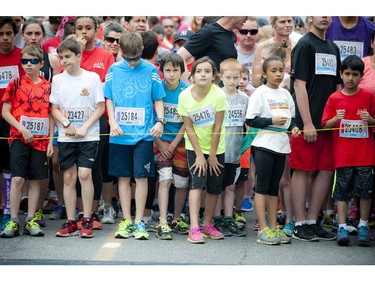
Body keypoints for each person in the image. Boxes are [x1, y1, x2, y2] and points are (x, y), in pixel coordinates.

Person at [104, 32, 165, 240]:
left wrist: (160, 121)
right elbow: (109, 98)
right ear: (121, 52)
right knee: (123, 178)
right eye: (127, 59)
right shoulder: (114, 69)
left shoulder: (150, 70)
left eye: (135, 59)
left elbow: (158, 99)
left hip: (143, 137)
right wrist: (112, 121)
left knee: (141, 177)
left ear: (141, 52)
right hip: (119, 134)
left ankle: (140, 220)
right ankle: (127, 219)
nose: (131, 63)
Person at [289, 16, 341, 242]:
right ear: (310, 17)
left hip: (330, 124)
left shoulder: (333, 47)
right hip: (307, 122)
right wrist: (308, 122)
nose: (325, 17)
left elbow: (337, 86)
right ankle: (299, 223)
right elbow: (299, 85)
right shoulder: (305, 44)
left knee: (327, 170)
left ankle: (312, 220)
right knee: (302, 170)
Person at [51, 37, 105, 238]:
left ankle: (87, 218)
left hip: (89, 135)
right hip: (66, 136)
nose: (64, 61)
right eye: (61, 57)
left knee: (85, 174)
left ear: (78, 56)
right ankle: (71, 220)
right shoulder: (57, 80)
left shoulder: (92, 78)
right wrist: (66, 125)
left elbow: (100, 107)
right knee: (68, 176)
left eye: (67, 57)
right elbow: (54, 109)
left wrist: (84, 127)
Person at [0, 45, 54, 238]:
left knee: (35, 180)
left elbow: (51, 115)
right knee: (17, 178)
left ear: (41, 64)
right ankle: (13, 220)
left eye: (33, 61)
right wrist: (21, 129)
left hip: (40, 141)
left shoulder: (48, 86)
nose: (28, 65)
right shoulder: (14, 84)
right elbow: (5, 112)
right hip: (18, 138)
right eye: (24, 61)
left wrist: (50, 141)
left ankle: (31, 219)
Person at [321, 55, 375, 246]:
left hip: (365, 156)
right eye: (347, 74)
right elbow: (325, 125)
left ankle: (363, 225)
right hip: (343, 156)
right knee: (342, 193)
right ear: (341, 75)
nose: (350, 78)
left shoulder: (369, 97)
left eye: (355, 74)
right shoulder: (334, 98)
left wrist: (370, 120)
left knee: (365, 192)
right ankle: (342, 226)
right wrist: (336, 119)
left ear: (361, 75)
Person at [246, 56, 300, 245]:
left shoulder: (286, 94)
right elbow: (251, 120)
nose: (278, 74)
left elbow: (291, 118)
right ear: (264, 74)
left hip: (282, 146)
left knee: (273, 188)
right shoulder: (259, 93)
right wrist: (270, 121)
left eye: (281, 71)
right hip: (264, 145)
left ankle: (274, 227)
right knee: (262, 187)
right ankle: (263, 229)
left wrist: (293, 127)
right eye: (273, 71)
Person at [177, 56, 226, 244]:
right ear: (192, 77)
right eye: (199, 71)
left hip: (216, 147)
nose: (203, 74)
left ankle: (207, 224)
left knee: (214, 187)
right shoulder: (184, 97)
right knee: (197, 184)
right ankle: (194, 227)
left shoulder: (219, 95)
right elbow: (188, 128)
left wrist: (212, 155)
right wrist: (199, 155)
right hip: (194, 147)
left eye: (207, 71)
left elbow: (218, 126)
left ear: (214, 75)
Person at [153, 52, 190, 240]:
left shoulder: (187, 90)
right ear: (162, 71)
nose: (172, 74)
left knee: (182, 182)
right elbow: (150, 117)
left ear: (182, 71)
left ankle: (176, 218)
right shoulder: (156, 88)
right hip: (159, 141)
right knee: (165, 179)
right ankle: (163, 221)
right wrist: (160, 144)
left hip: (181, 141)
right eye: (167, 70)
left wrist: (174, 144)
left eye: (175, 70)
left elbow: (186, 121)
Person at [213, 58, 248, 237]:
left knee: (230, 186)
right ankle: (217, 218)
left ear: (241, 77)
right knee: (217, 187)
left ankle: (228, 218)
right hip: (218, 150)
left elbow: (247, 124)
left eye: (236, 78)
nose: (233, 81)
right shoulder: (217, 96)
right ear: (221, 77)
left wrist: (245, 145)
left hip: (235, 151)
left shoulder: (244, 99)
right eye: (228, 78)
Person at [0, 16, 25, 230]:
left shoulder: (21, 57)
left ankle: (8, 209)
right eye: (1, 34)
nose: (5, 38)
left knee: (10, 164)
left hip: (14, 119)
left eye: (8, 33)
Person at [177, 16, 247, 81]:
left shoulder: (232, 35)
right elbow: (179, 56)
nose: (246, 18)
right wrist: (189, 86)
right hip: (208, 90)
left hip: (226, 90)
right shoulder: (208, 32)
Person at [252, 16, 296, 88]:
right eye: (282, 22)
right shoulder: (262, 47)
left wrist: (294, 72)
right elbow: (255, 81)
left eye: (289, 21)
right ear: (273, 24)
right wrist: (278, 70)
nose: (287, 25)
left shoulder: (297, 46)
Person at [236, 17, 259, 94]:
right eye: (244, 31)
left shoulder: (265, 52)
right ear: (237, 32)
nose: (248, 35)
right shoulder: (230, 52)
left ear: (258, 32)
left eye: (253, 32)